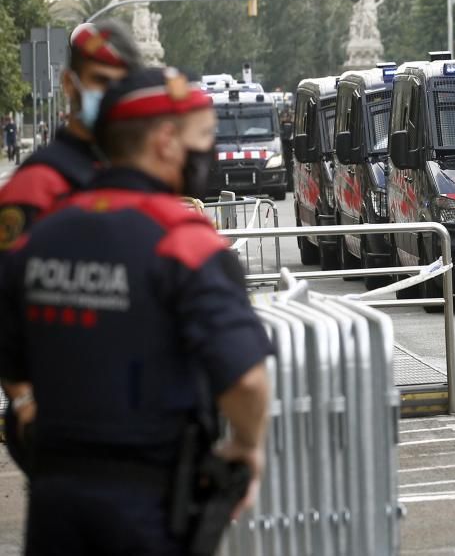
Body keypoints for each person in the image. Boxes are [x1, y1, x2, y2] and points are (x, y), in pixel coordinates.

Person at [0, 67, 273, 554]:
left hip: (53, 499)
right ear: (166, 141)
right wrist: (247, 448)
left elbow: (11, 352)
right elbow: (246, 381)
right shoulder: (185, 245)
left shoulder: (42, 235)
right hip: (148, 503)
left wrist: (25, 410)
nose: (206, 153)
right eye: (203, 138)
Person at [0, 20, 140, 252]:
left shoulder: (140, 173)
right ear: (68, 83)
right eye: (100, 80)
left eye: (122, 84)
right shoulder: (35, 186)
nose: (111, 94)